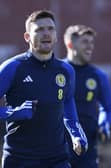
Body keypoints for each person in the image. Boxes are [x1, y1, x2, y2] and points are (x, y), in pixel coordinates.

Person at [0, 10, 88, 168]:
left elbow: (67, 104)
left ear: (56, 35)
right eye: (39, 30)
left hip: (57, 159)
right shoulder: (11, 68)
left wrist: (76, 134)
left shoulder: (66, 71)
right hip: (19, 159)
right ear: (27, 37)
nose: (46, 33)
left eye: (50, 29)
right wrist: (14, 112)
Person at [63, 24, 111, 168]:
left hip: (87, 148)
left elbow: (108, 108)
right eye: (85, 42)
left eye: (92, 43)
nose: (90, 47)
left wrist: (104, 125)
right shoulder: (58, 72)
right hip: (57, 147)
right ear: (70, 44)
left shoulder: (98, 76)